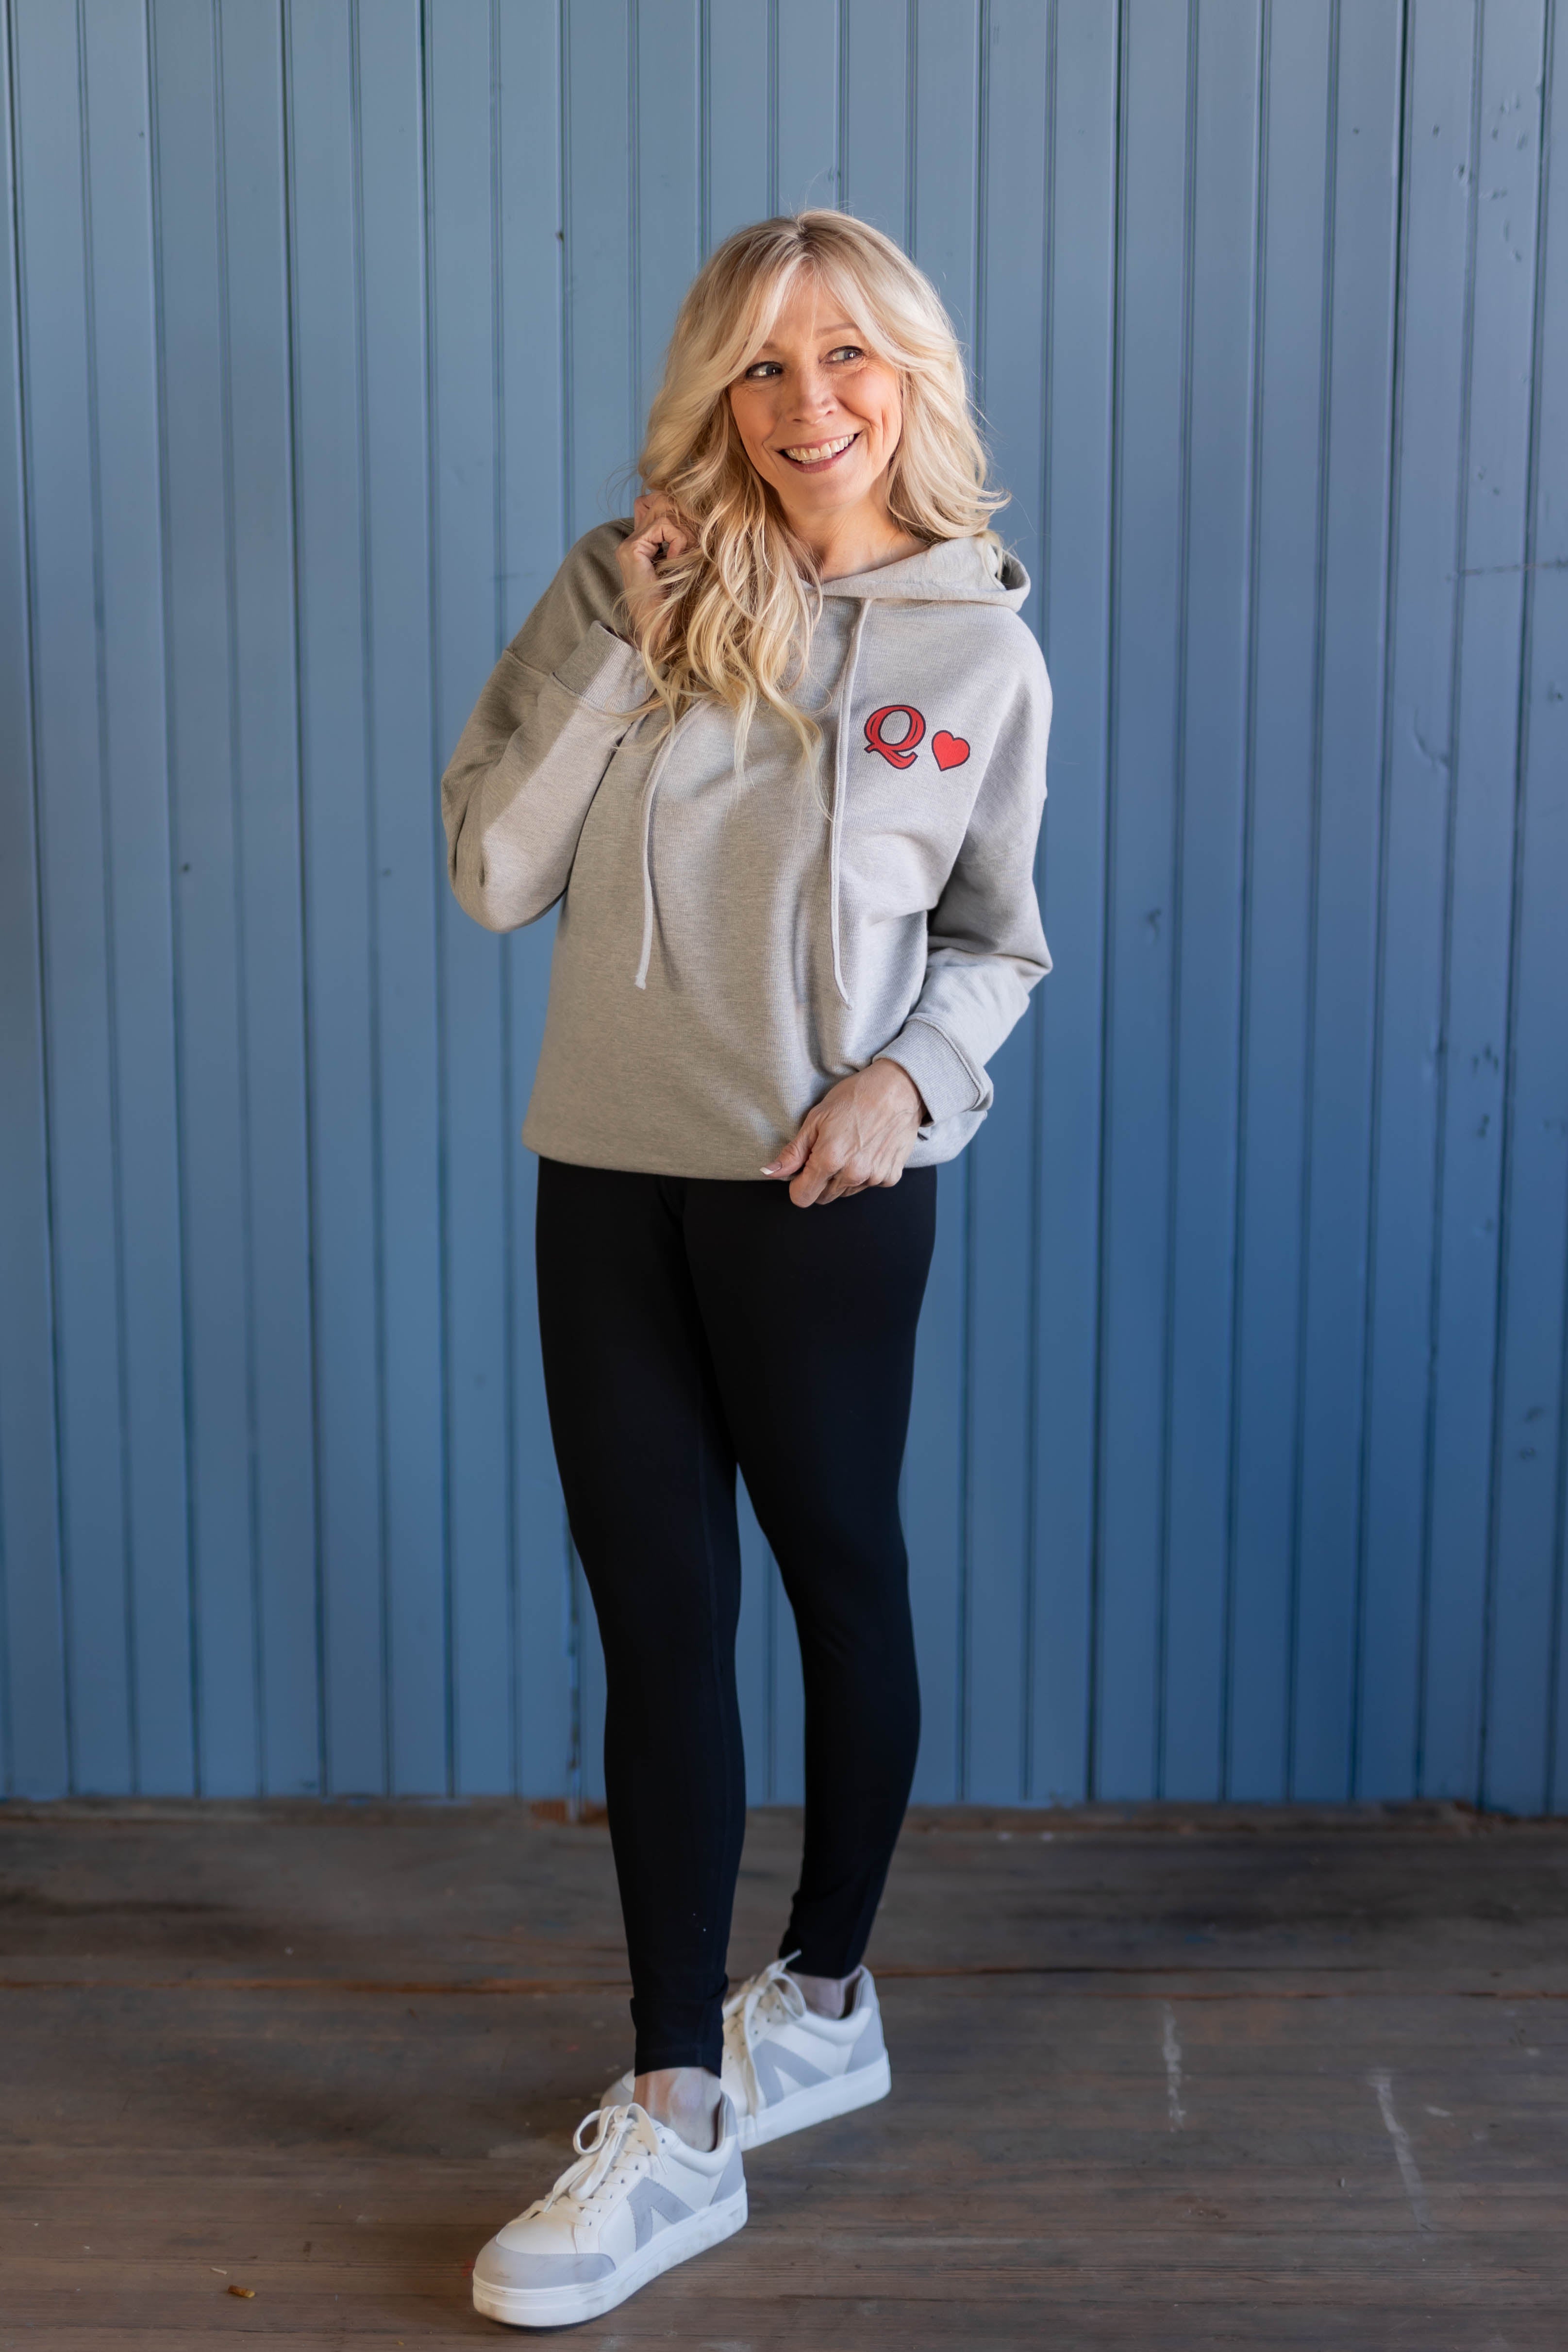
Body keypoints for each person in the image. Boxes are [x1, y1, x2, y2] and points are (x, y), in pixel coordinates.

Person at [440, 208, 1052, 2330]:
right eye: (764, 365)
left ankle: (826, 1992)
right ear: (716, 390)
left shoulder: (977, 648)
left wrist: (911, 1083)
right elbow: (491, 872)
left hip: (819, 1189)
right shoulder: (626, 581)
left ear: (911, 375)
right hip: (605, 1179)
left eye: (847, 355)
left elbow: (996, 944)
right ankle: (676, 2107)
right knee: (660, 1626)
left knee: (840, 1581)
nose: (808, 405)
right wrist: (636, 634)